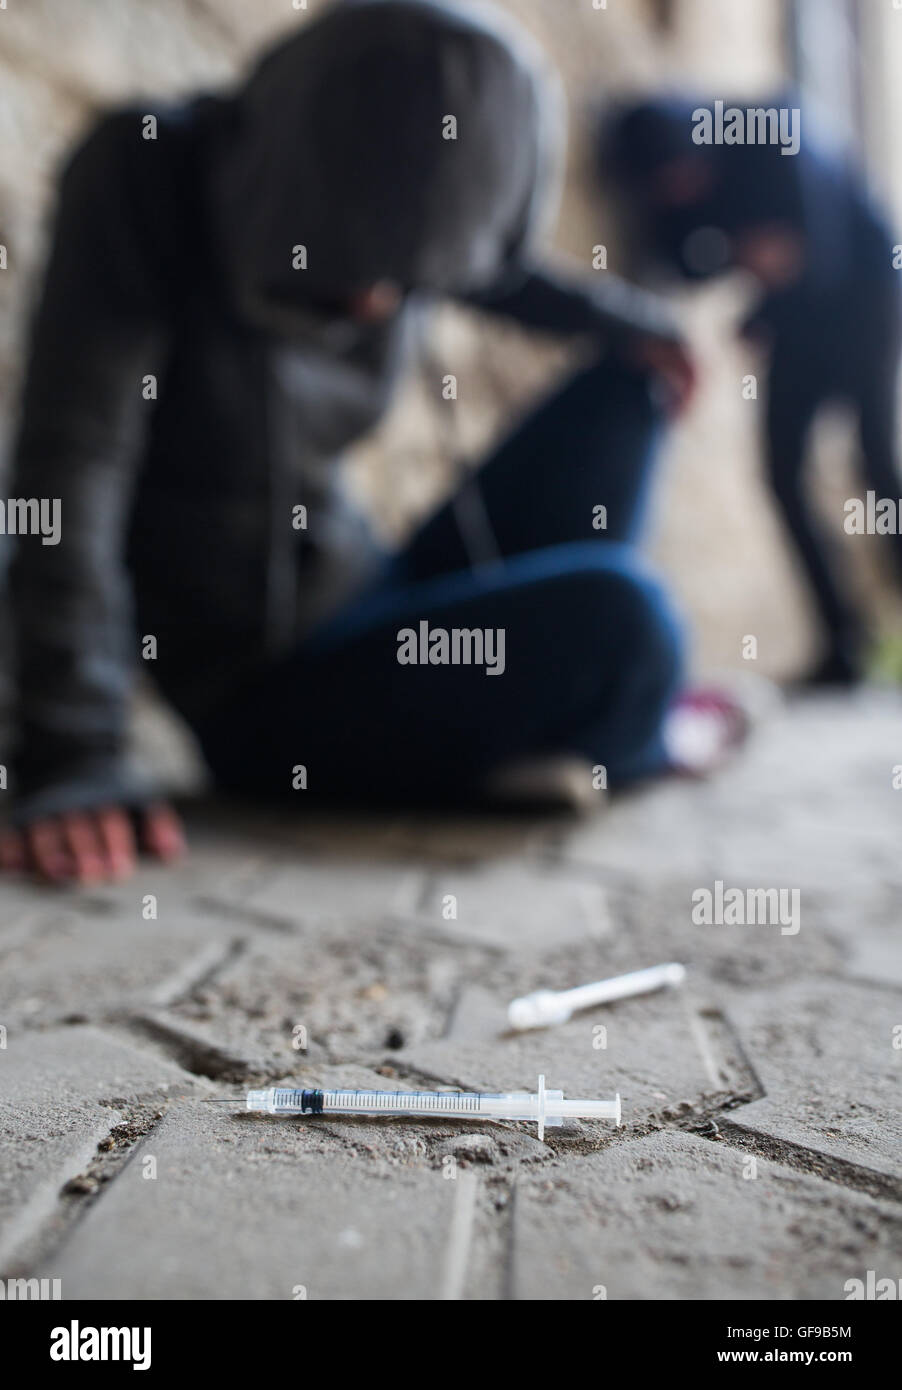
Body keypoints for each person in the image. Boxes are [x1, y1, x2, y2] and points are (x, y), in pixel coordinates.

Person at [2, 0, 728, 886]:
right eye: (356, 271)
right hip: (272, 693)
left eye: (405, 281)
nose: (377, 306)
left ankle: (559, 729)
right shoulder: (145, 169)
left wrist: (637, 327)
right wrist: (71, 752)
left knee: (628, 387)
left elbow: (496, 271)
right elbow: (68, 469)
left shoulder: (418, 242)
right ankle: (620, 727)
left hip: (376, 592)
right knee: (630, 621)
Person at [603, 96, 902, 687]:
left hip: (868, 303)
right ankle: (844, 645)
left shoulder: (772, 131)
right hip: (797, 328)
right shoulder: (678, 193)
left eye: (682, 176)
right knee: (781, 471)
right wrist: (759, 275)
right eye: (665, 186)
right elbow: (695, 264)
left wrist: (764, 279)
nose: (680, 191)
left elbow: (822, 252)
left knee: (875, 465)